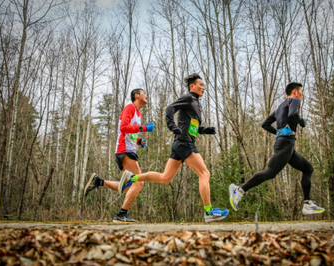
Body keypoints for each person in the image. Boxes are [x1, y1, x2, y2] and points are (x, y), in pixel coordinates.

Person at [118, 73, 229, 223]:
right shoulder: (189, 97)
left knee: (165, 178)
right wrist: (172, 126)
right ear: (192, 86)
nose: (203, 87)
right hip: (184, 142)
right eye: (200, 85)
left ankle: (132, 178)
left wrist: (202, 130)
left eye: (203, 85)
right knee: (205, 174)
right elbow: (170, 108)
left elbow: (190, 125)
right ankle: (209, 211)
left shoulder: (196, 102)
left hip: (180, 143)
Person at [229, 82, 325, 215]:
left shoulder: (280, 107)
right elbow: (293, 116)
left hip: (286, 144)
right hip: (285, 144)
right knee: (270, 172)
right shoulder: (294, 100)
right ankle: (239, 190)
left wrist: (281, 132)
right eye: (301, 91)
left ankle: (308, 203)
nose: (302, 94)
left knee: (308, 168)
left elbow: (265, 124)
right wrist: (301, 121)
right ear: (295, 91)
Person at [83, 88, 155, 223]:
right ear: (137, 96)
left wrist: (139, 140)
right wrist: (143, 128)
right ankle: (121, 215)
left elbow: (130, 133)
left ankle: (99, 181)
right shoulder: (130, 108)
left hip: (129, 149)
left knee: (128, 188)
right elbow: (123, 127)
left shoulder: (139, 114)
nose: (147, 96)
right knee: (139, 182)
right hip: (124, 150)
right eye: (145, 93)